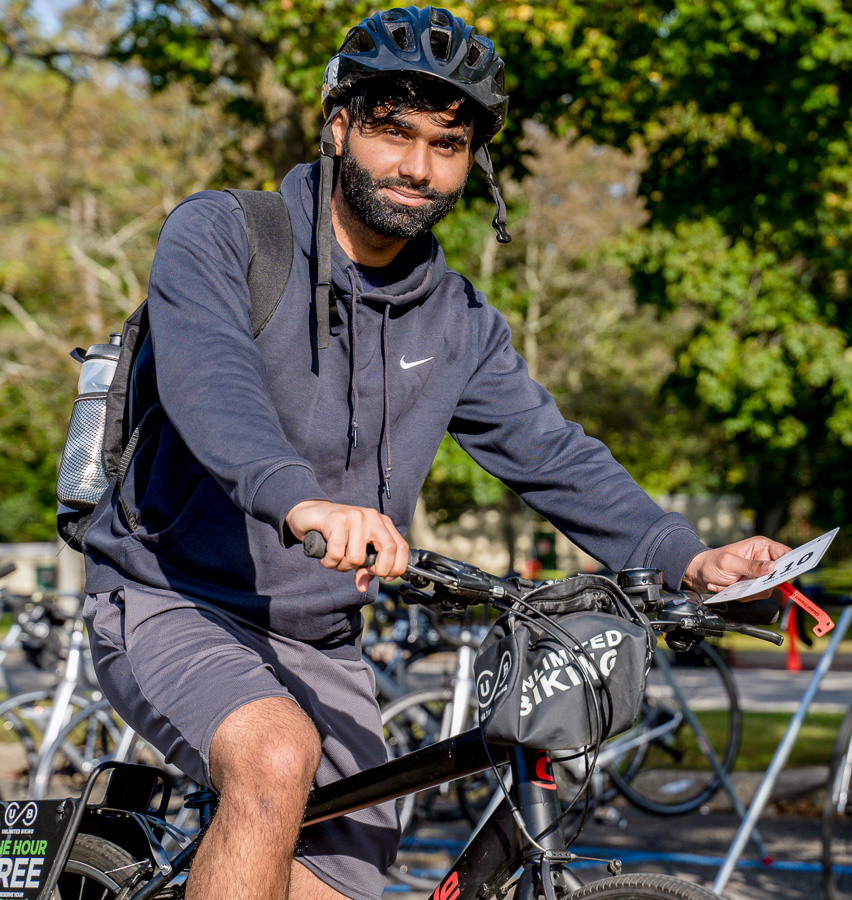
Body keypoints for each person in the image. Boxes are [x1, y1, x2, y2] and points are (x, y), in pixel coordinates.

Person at [81, 7, 789, 900]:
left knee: (352, 866)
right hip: (170, 597)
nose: (418, 167)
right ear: (339, 124)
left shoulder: (456, 321)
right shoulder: (223, 236)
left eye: (447, 145)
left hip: (321, 636)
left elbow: (551, 452)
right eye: (394, 132)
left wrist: (686, 556)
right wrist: (300, 498)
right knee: (275, 755)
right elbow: (211, 382)